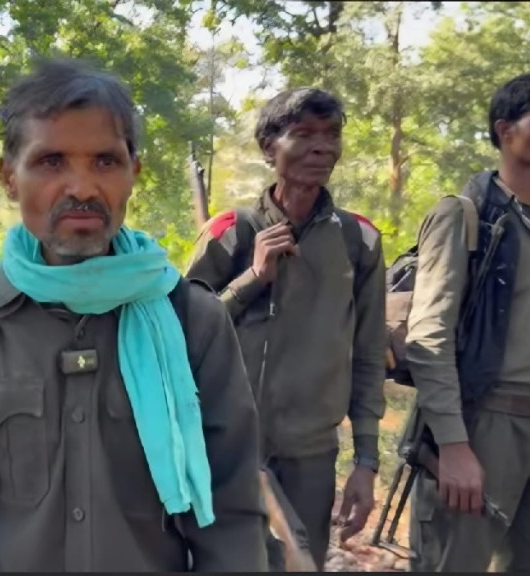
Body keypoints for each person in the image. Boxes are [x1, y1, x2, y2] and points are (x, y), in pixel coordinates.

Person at [0, 58, 268, 572]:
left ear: (133, 173)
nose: (80, 187)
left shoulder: (192, 322)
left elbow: (231, 518)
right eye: (52, 161)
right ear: (9, 177)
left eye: (104, 161)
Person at [184, 87, 387, 569]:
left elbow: (368, 352)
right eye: (304, 134)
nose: (323, 147)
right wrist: (253, 278)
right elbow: (182, 336)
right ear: (269, 147)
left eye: (332, 135)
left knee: (301, 561)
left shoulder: (358, 239)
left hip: (311, 454)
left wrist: (366, 460)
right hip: (226, 447)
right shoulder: (230, 231)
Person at [405, 73, 530, 572]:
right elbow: (429, 339)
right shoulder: (464, 216)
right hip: (484, 425)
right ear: (505, 130)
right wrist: (454, 446)